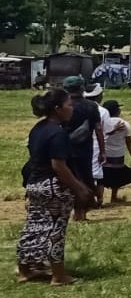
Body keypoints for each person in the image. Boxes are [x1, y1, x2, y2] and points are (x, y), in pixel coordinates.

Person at [18, 89, 92, 284]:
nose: (72, 108)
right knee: (55, 230)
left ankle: (25, 270)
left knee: (33, 227)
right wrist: (79, 187)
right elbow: (58, 165)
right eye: (68, 104)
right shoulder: (58, 133)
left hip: (35, 184)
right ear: (57, 109)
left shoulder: (39, 128)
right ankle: (59, 276)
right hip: (53, 187)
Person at [62, 77, 103, 220]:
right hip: (85, 150)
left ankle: (70, 211)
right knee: (85, 179)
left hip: (62, 149)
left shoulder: (62, 106)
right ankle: (82, 213)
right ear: (82, 88)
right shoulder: (91, 106)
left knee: (67, 179)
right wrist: (103, 151)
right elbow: (98, 129)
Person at [99, 101, 131, 203]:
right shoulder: (124, 124)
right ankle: (114, 196)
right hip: (118, 155)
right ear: (118, 111)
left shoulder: (102, 123)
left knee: (101, 177)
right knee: (117, 176)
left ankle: (99, 198)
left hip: (104, 154)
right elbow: (129, 142)